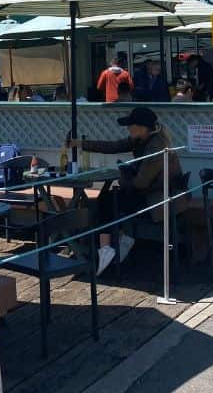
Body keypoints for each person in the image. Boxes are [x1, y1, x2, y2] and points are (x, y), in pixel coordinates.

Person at [70, 107, 181, 275]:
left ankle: (108, 248)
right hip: (150, 192)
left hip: (161, 198)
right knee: (107, 198)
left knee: (107, 200)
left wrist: (123, 177)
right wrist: (80, 144)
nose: (128, 128)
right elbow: (113, 146)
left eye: (131, 125)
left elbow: (141, 183)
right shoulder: (142, 139)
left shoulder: (156, 147)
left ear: (142, 127)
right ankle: (118, 241)